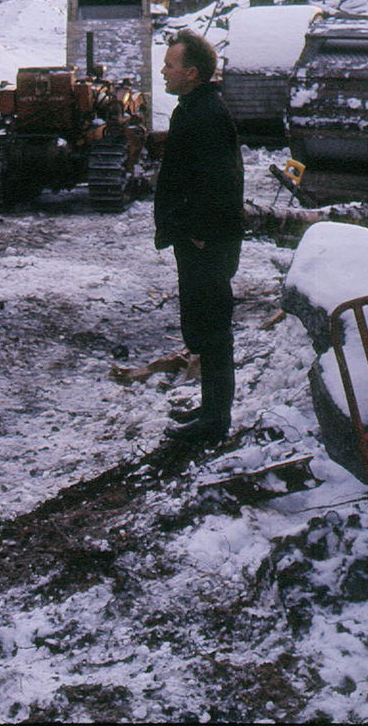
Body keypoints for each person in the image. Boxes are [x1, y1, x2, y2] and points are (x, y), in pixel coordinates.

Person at [153, 29, 245, 445]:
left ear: (190, 73)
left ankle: (216, 421)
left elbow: (224, 180)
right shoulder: (192, 108)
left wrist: (201, 234)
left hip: (208, 240)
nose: (163, 71)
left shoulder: (207, 114)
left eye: (170, 65)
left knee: (213, 328)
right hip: (196, 238)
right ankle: (210, 408)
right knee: (201, 325)